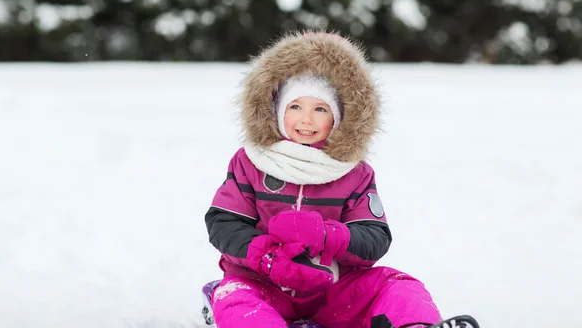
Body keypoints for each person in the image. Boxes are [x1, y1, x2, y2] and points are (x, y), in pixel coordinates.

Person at [204, 31, 477, 328]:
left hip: (332, 290)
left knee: (395, 283)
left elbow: (374, 237)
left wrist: (327, 236)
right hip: (264, 282)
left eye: (320, 109)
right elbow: (224, 224)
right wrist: (267, 256)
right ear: (277, 111)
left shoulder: (353, 172)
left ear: (338, 118)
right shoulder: (251, 161)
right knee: (234, 296)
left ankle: (414, 325)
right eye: (295, 107)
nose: (306, 120)